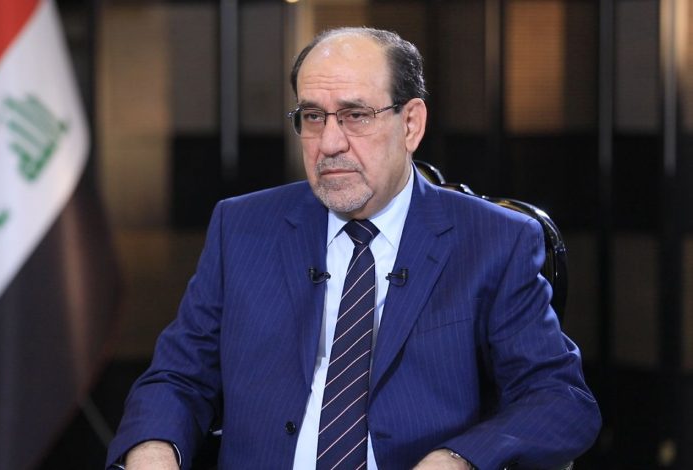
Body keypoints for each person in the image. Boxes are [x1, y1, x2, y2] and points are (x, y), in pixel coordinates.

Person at [107, 27, 601, 470]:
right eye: (313, 117)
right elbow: (176, 378)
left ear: (411, 124)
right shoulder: (241, 227)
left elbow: (559, 400)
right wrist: (153, 451)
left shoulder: (494, 240)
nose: (329, 143)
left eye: (355, 115)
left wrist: (458, 460)